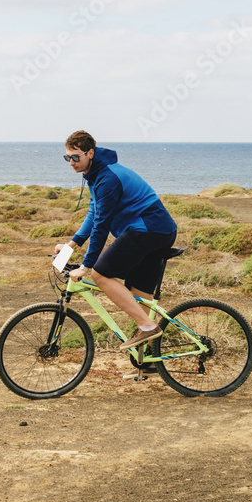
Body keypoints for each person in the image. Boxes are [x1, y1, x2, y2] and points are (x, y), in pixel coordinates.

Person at [55, 130, 177, 355]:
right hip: (157, 230)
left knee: (100, 274)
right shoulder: (96, 174)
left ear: (90, 153)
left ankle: (148, 327)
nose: (71, 162)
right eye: (67, 158)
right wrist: (72, 244)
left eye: (75, 157)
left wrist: (87, 265)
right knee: (139, 293)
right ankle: (151, 359)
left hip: (149, 230)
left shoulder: (107, 178)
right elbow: (94, 211)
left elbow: (102, 223)